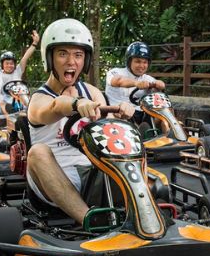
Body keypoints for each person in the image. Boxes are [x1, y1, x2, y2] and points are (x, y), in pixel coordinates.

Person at [26, 18, 135, 223]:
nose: (71, 62)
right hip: (53, 180)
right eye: (62, 54)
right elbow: (55, 106)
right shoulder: (39, 99)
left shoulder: (92, 92)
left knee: (128, 139)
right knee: (37, 152)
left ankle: (142, 213)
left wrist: (121, 114)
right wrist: (76, 103)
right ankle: (89, 220)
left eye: (78, 55)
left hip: (93, 174)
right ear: (49, 58)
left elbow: (109, 129)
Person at [0, 27, 38, 120]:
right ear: (2, 64)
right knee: (2, 104)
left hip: (19, 103)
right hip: (1, 107)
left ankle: (31, 112)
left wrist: (35, 43)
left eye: (12, 63)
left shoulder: (18, 71)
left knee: (25, 95)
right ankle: (13, 118)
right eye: (7, 63)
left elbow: (26, 57)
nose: (10, 66)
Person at [105, 41, 166, 126]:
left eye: (145, 62)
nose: (142, 65)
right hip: (118, 113)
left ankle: (174, 136)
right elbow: (118, 81)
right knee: (112, 117)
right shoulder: (115, 72)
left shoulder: (147, 78)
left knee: (165, 114)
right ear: (129, 62)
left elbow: (161, 85)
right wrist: (136, 83)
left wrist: (159, 84)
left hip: (142, 115)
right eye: (138, 61)